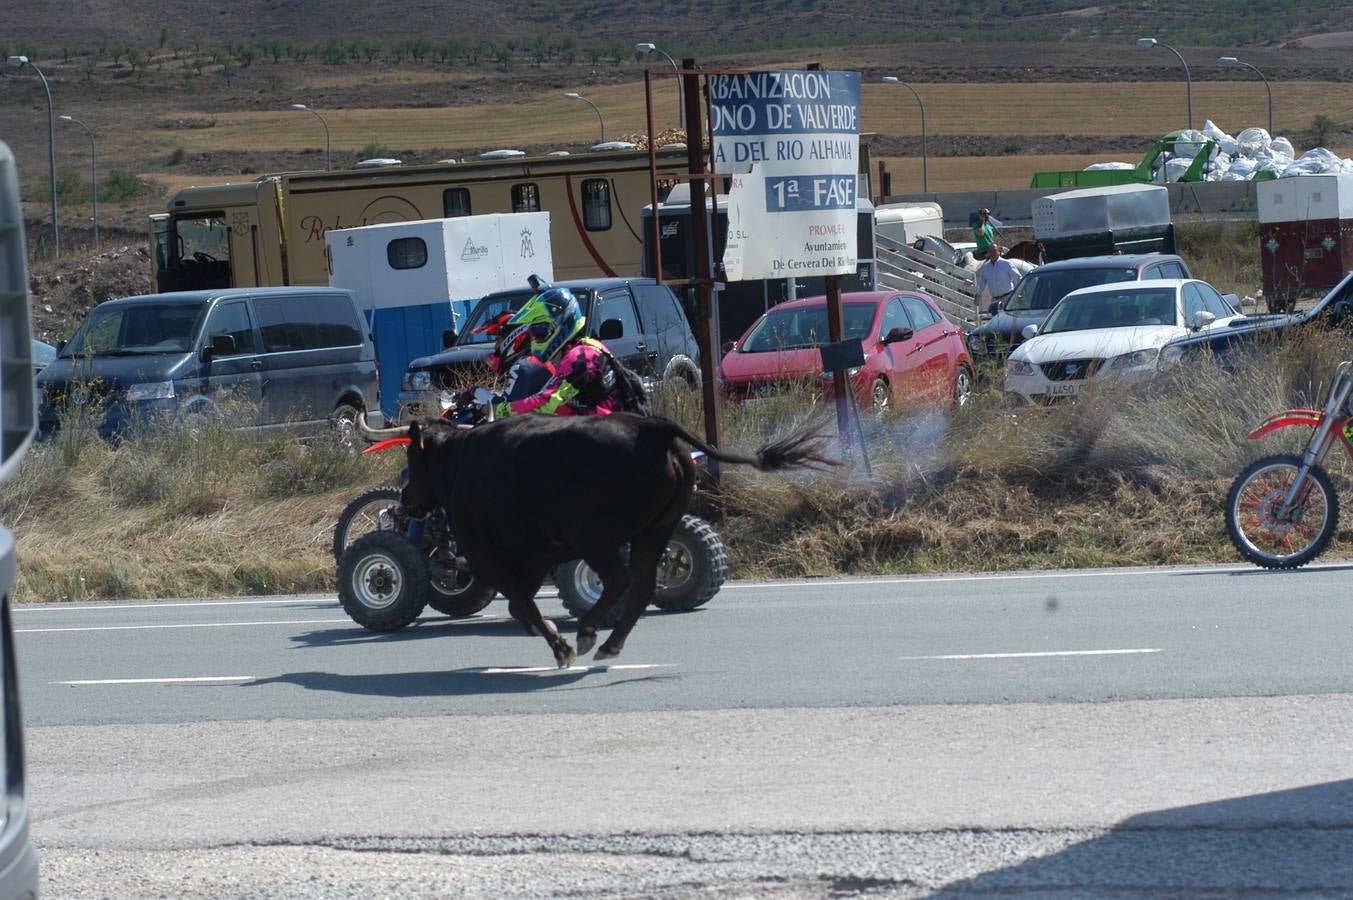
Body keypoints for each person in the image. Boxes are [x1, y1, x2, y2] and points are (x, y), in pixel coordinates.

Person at [488, 283, 639, 418]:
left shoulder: (581, 356)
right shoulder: (582, 350)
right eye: (532, 334)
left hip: (604, 434)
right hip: (595, 428)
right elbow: (561, 405)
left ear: (560, 325)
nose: (534, 341)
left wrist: (499, 410)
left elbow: (547, 403)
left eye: (539, 333)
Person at [974, 243, 1028, 311]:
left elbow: (1017, 278)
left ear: (999, 252)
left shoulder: (1006, 263)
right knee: (996, 319)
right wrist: (977, 294)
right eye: (990, 251)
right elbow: (981, 282)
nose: (992, 253)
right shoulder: (986, 267)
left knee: (1008, 319)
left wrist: (1021, 292)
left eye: (994, 250)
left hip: (1008, 298)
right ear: (988, 253)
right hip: (994, 300)